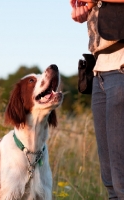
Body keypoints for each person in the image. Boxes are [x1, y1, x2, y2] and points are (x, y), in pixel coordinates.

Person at [70, 1, 124, 199]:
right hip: (100, 70)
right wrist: (88, 9)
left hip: (121, 67)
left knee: (122, 181)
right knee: (110, 182)